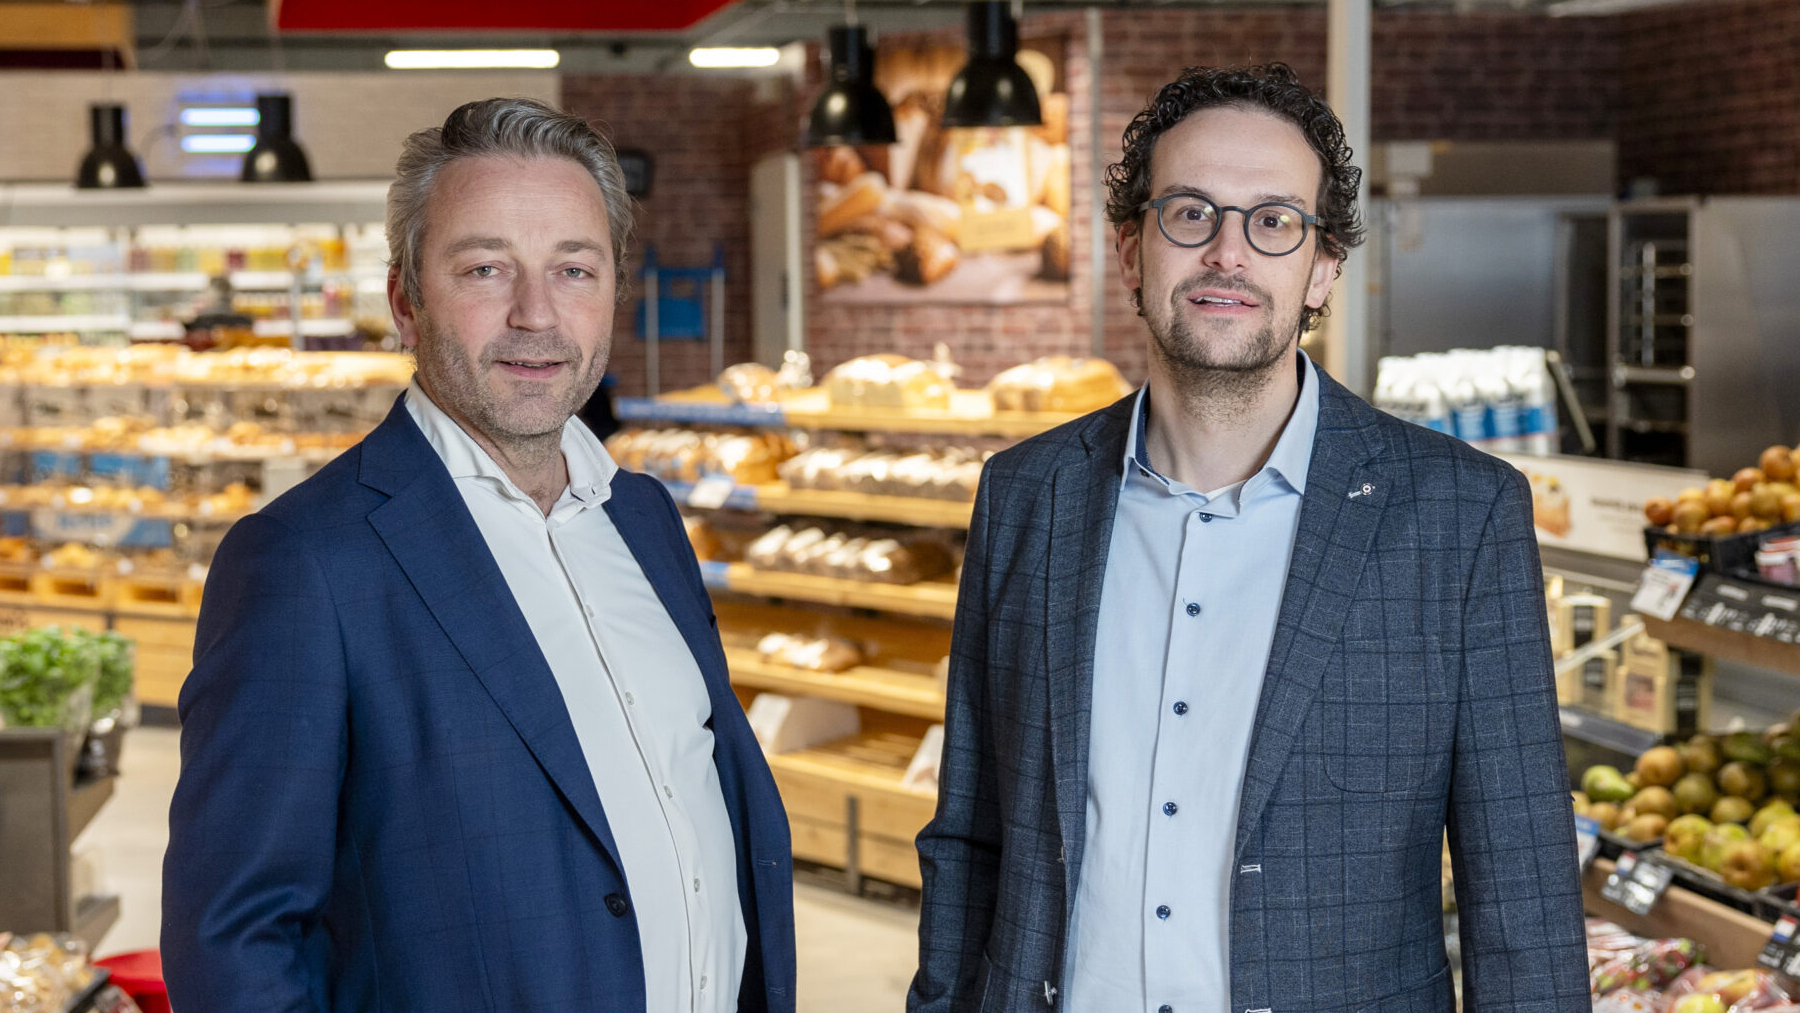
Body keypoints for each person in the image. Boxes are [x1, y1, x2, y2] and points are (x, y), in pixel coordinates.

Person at [909, 64, 1589, 1013]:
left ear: (1323, 267)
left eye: (1274, 220)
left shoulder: (1460, 516)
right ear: (1130, 248)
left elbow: (1521, 886)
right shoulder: (1027, 494)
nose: (1228, 252)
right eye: (1190, 212)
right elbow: (972, 833)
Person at [163, 98, 795, 1013]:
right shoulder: (304, 563)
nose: (536, 314)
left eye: (574, 269)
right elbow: (234, 940)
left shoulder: (645, 517)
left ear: (615, 291)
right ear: (404, 301)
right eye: (485, 267)